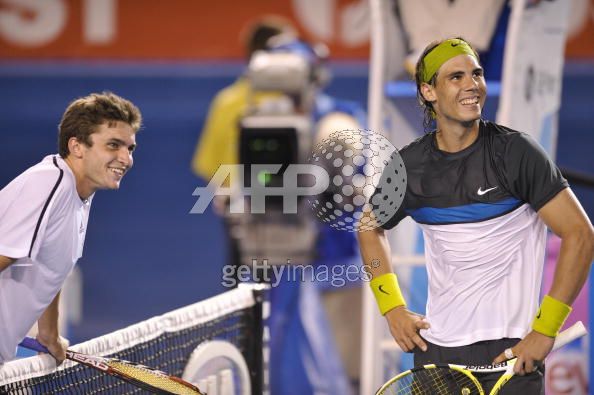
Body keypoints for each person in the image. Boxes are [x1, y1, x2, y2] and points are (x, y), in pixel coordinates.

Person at [358, 37, 594, 392]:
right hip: (436, 354)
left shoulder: (516, 153)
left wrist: (546, 329)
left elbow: (580, 234)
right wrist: (392, 308)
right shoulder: (409, 166)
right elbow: (368, 228)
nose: (472, 85)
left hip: (511, 356)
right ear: (429, 91)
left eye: (477, 74)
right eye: (456, 77)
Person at [0, 92, 142, 364]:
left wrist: (49, 334)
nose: (125, 158)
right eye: (113, 145)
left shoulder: (78, 194)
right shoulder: (49, 184)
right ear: (77, 146)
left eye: (130, 148)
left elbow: (51, 269)